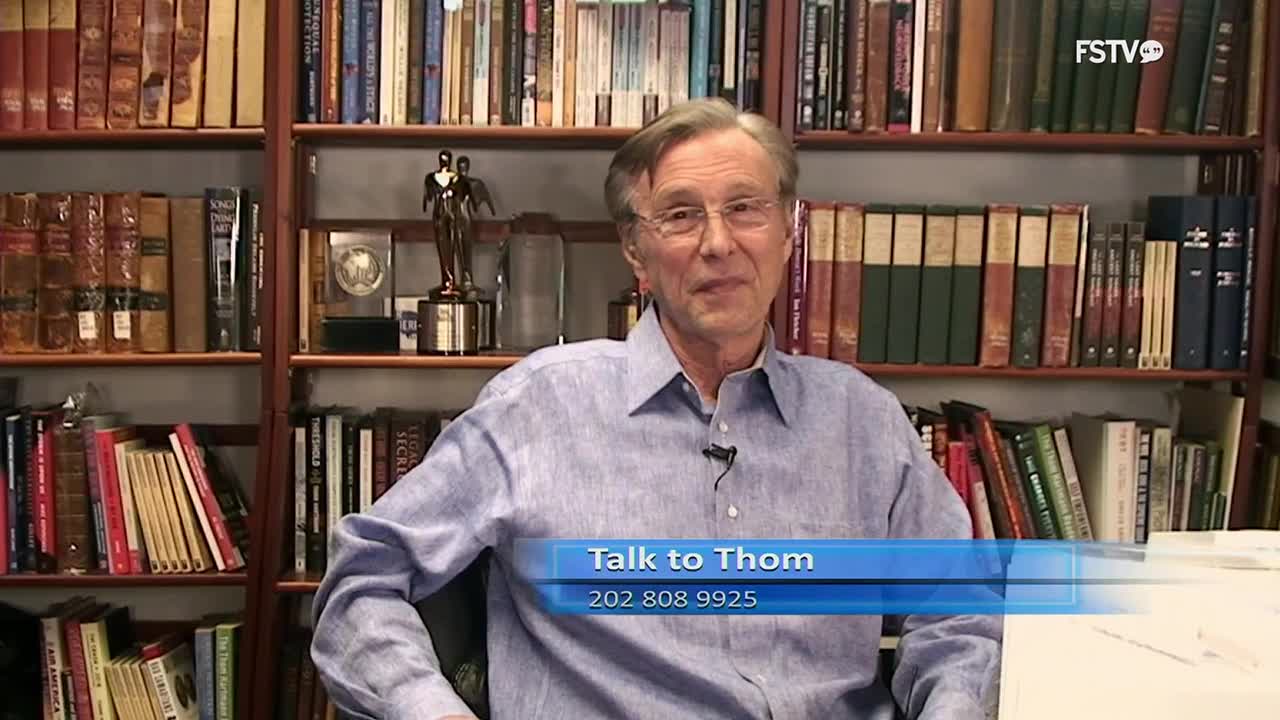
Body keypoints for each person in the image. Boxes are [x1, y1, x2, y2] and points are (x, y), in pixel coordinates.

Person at [311, 98, 1002, 720]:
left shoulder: (863, 421)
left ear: (788, 233)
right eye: (679, 214)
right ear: (636, 252)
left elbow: (957, 615)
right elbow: (365, 575)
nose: (718, 243)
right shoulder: (540, 405)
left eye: (745, 208)